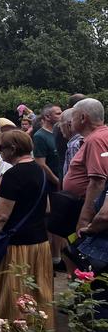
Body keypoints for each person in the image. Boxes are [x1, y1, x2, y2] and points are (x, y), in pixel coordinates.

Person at [0, 130, 53, 329]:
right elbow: (47, 208)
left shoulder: (13, 175)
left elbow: (1, 216)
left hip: (18, 246)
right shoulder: (40, 170)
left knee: (14, 293)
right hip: (40, 243)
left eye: (1, 147)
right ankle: (38, 331)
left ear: (13, 149)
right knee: (38, 291)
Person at [67, 98, 108, 232]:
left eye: (73, 116)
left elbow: (97, 182)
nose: (70, 121)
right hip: (91, 208)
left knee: (83, 249)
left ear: (83, 117)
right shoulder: (101, 135)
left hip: (88, 210)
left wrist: (84, 220)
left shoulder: (95, 140)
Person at [33, 103, 64, 270]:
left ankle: (58, 256)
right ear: (47, 117)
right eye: (58, 113)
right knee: (50, 220)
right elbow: (40, 164)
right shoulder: (40, 136)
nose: (61, 115)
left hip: (60, 184)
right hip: (50, 186)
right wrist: (56, 180)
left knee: (60, 220)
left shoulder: (59, 134)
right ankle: (51, 258)